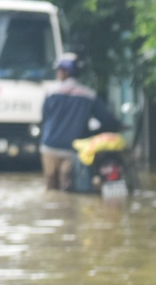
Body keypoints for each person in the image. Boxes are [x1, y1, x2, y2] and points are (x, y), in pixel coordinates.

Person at [39, 54, 120, 192]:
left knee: (51, 187)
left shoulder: (50, 93)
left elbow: (44, 117)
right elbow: (106, 120)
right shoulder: (89, 95)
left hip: (49, 147)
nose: (57, 73)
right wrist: (117, 125)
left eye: (59, 70)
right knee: (67, 188)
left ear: (65, 72)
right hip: (73, 149)